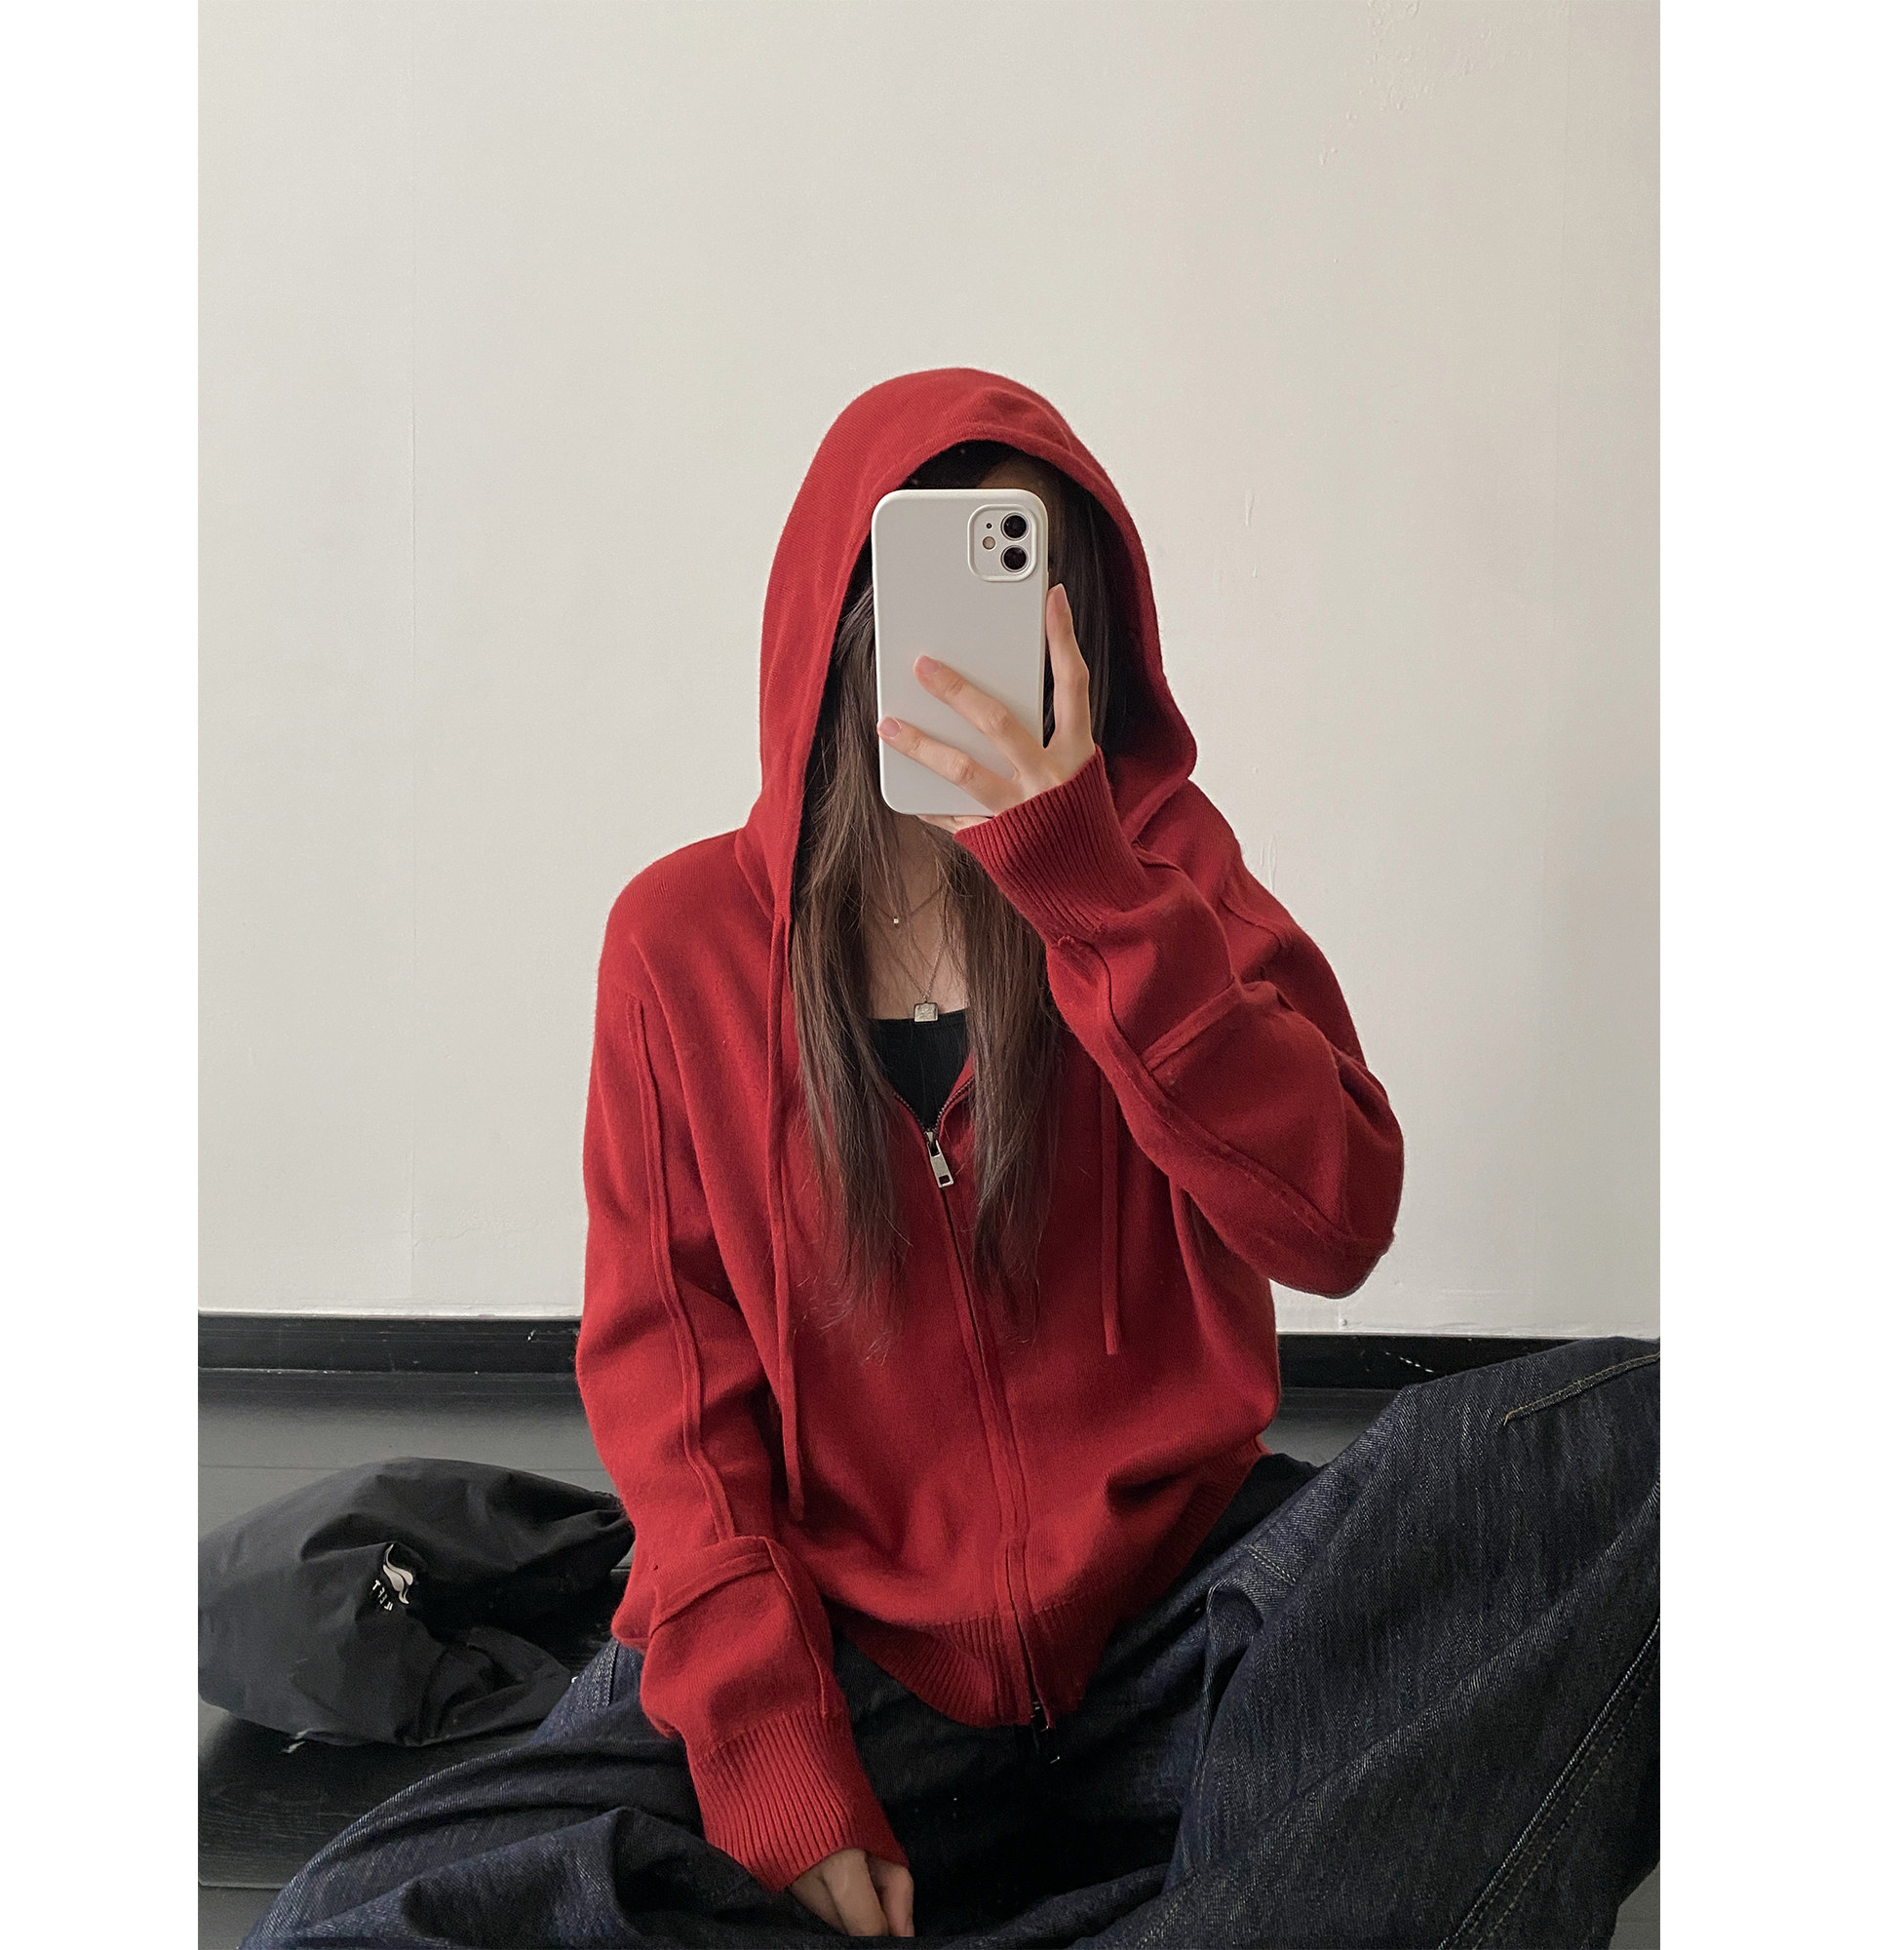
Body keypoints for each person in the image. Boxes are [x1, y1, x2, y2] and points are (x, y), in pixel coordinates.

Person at [243, 369, 1658, 1947]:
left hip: (1187, 1636)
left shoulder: (1165, 873)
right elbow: (676, 1403)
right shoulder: (679, 944)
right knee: (353, 1920)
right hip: (852, 1662)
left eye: (1034, 583)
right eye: (943, 582)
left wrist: (1092, 898)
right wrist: (777, 1753)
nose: (995, 640)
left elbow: (1335, 1219)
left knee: (1652, 1451)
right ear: (837, 622)